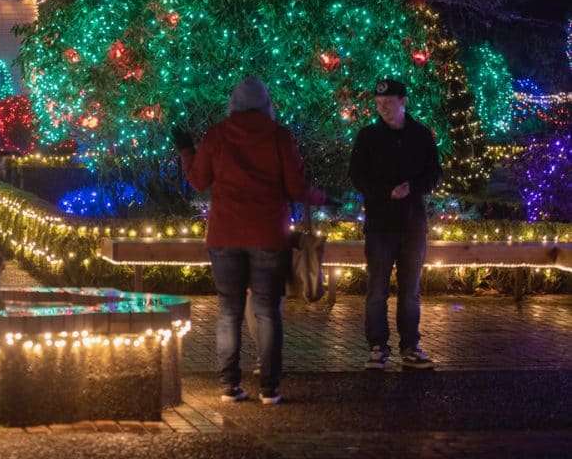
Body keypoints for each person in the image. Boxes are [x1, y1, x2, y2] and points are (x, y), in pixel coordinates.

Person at [174, 76, 325, 405]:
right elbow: (297, 187)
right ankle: (270, 388)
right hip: (268, 235)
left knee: (228, 312)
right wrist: (322, 198)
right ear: (266, 103)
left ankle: (230, 385)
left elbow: (199, 181)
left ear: (234, 103)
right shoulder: (278, 136)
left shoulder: (217, 135)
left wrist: (187, 151)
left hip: (225, 234)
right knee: (267, 311)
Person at [350, 78, 441, 371]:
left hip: (413, 224)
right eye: (379, 105)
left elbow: (434, 173)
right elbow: (357, 175)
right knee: (377, 289)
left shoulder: (421, 136)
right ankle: (377, 346)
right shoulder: (368, 137)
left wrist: (411, 188)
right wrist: (384, 192)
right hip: (380, 224)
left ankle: (410, 345)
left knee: (410, 290)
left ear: (403, 101)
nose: (383, 109)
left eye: (388, 103)